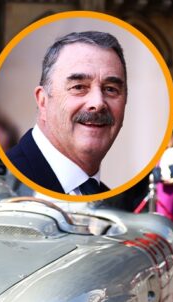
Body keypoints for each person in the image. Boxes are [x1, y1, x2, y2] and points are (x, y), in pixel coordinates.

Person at [7, 31, 127, 195]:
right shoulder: (8, 185)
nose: (98, 103)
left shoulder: (107, 198)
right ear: (43, 101)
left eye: (110, 89)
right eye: (78, 87)